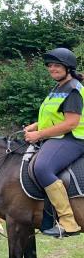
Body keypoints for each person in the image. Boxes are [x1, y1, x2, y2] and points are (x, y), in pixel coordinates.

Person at [24, 47, 84, 237]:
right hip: (58, 137)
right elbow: (55, 116)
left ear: (68, 67)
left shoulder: (73, 89)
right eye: (50, 65)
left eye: (57, 65)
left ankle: (68, 222)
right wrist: (35, 126)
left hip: (73, 139)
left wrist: (39, 134)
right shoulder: (58, 88)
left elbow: (71, 123)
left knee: (42, 168)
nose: (52, 68)